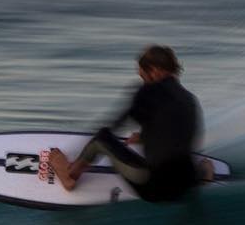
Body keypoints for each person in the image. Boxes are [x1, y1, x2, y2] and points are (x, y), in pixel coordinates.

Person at [49, 45, 210, 202]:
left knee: (102, 139)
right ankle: (204, 173)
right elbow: (177, 132)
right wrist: (145, 137)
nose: (142, 80)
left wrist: (82, 149)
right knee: (180, 160)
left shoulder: (148, 91)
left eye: (143, 76)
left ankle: (70, 174)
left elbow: (115, 126)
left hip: (154, 188)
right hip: (185, 186)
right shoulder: (189, 100)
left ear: (154, 71)